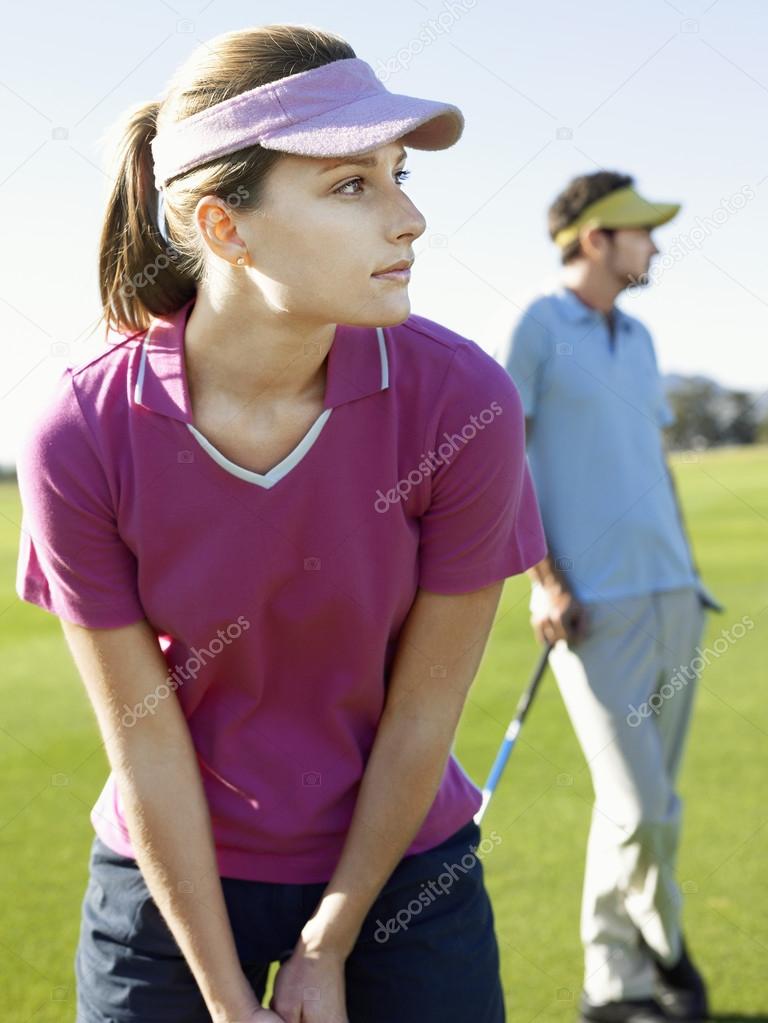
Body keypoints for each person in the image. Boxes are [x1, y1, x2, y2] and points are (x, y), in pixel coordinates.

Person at [14, 24, 547, 1023]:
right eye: (353, 186)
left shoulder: (465, 401)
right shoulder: (78, 432)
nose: (411, 218)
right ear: (225, 228)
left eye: (398, 174)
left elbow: (424, 718)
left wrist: (326, 944)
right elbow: (145, 743)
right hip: (167, 879)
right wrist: (225, 998)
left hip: (400, 873)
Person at [503, 171, 722, 1023]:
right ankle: (667, 947)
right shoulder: (533, 324)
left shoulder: (639, 338)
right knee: (642, 809)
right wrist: (545, 579)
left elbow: (651, 465)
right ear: (596, 238)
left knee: (638, 808)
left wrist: (689, 571)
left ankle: (611, 987)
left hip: (672, 596)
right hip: (594, 611)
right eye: (642, 232)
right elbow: (498, 461)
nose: (656, 245)